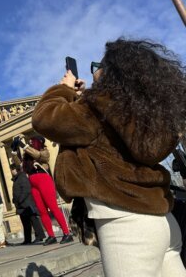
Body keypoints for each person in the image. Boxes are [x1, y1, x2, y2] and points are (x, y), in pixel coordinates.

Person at [32, 38, 186, 276]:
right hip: (163, 223)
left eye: (98, 66)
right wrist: (83, 96)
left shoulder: (94, 108)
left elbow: (45, 118)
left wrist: (64, 88)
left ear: (111, 72)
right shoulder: (140, 109)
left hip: (126, 225)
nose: (94, 71)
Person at [11, 136, 73, 245]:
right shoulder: (28, 158)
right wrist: (14, 151)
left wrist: (24, 146)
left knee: (53, 208)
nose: (29, 143)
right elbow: (19, 165)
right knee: (42, 211)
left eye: (31, 142)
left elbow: (37, 155)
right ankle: (51, 236)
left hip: (43, 180)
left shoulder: (44, 152)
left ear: (38, 142)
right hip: (33, 183)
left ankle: (67, 233)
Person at [10, 164, 46, 244]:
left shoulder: (22, 177)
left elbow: (26, 189)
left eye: (12, 169)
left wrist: (20, 200)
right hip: (21, 204)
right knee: (25, 222)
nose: (11, 171)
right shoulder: (17, 178)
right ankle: (27, 239)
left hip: (26, 203)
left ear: (16, 169)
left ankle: (40, 236)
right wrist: (14, 200)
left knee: (33, 220)